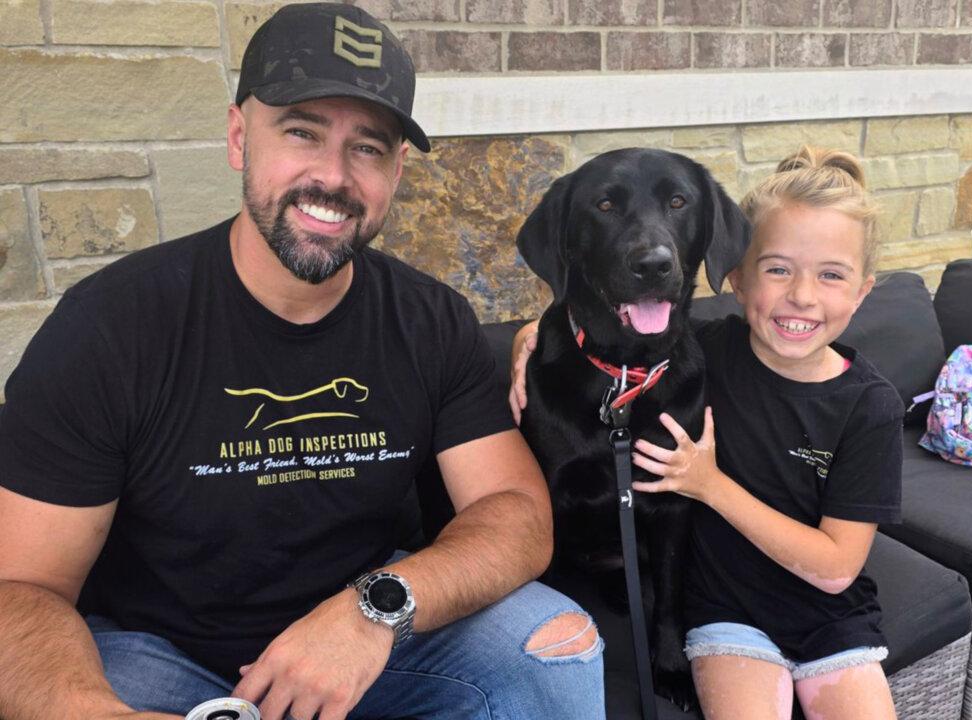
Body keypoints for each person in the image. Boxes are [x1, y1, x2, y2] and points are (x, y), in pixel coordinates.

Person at [0, 4, 604, 720]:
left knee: (555, 642)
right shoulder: (112, 325)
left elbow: (515, 515)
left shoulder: (428, 319)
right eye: (301, 132)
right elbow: (21, 590)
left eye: (369, 148)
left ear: (397, 169)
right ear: (237, 137)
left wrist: (374, 611)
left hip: (370, 641)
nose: (333, 176)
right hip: (159, 658)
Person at [511, 147, 902, 720]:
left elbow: (838, 564)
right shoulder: (717, 348)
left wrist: (709, 485)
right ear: (739, 280)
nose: (801, 296)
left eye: (831, 275)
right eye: (778, 270)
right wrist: (528, 337)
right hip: (712, 612)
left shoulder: (860, 404)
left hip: (824, 616)